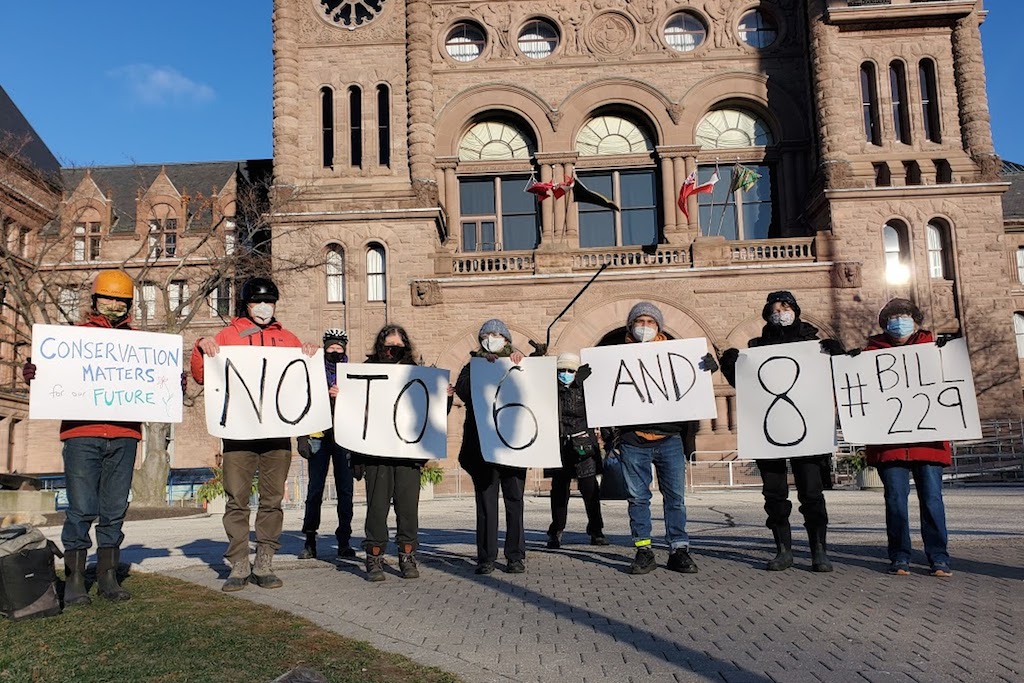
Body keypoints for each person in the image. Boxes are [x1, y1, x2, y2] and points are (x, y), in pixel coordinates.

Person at [22, 270, 186, 604]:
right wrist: (36, 375)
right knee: (81, 508)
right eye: (107, 298)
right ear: (95, 300)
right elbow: (54, 380)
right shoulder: (73, 339)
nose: (113, 304)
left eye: (120, 300)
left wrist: (170, 382)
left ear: (128, 304)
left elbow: (154, 384)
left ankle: (108, 576)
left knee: (114, 508)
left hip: (125, 435)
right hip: (82, 434)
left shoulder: (141, 344)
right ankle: (76, 579)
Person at [190, 277, 319, 592]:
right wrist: (201, 348)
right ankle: (238, 562)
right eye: (257, 302)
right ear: (246, 305)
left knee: (272, 500)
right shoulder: (227, 336)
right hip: (239, 434)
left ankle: (264, 560)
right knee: (237, 499)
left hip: (277, 435)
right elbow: (201, 375)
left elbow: (303, 385)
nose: (263, 308)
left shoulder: (288, 339)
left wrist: (310, 355)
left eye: (269, 302)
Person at [720, 290, 843, 573]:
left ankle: (819, 550)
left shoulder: (816, 346)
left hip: (807, 432)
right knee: (774, 495)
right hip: (769, 433)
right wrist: (730, 365)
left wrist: (840, 356)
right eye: (775, 308)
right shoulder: (756, 347)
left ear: (795, 310)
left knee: (811, 493)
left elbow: (837, 379)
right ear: (767, 314)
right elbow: (748, 387)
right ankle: (783, 549)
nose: (781, 312)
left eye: (785, 306)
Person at [607, 302, 717, 575]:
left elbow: (691, 386)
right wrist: (584, 380)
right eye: (639, 321)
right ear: (631, 325)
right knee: (638, 499)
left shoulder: (676, 356)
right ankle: (644, 550)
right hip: (634, 441)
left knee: (675, 498)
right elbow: (603, 396)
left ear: (659, 327)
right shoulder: (614, 358)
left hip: (669, 438)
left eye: (650, 322)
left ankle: (679, 549)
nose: (644, 326)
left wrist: (705, 370)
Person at [854, 298, 954, 577]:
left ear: (916, 320)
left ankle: (939, 556)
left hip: (928, 441)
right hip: (891, 443)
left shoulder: (934, 348)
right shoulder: (870, 353)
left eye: (905, 316)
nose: (899, 322)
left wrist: (951, 354)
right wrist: (845, 360)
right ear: (884, 323)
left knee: (932, 500)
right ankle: (899, 556)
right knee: (895, 501)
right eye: (893, 317)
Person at [351, 325, 440, 581]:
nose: (392, 349)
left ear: (405, 347)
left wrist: (442, 397)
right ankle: (375, 556)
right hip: (376, 455)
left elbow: (430, 414)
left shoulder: (417, 373)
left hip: (407, 454)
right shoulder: (367, 371)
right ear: (380, 346)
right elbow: (354, 410)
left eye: (398, 345)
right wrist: (340, 397)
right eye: (388, 344)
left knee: (408, 509)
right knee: (377, 509)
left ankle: (407, 555)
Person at [455, 319, 527, 575]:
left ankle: (515, 555)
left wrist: (524, 359)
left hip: (514, 445)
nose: (492, 338)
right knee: (486, 504)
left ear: (507, 341)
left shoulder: (521, 362)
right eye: (487, 334)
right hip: (483, 446)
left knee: (514, 501)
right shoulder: (472, 365)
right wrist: (478, 368)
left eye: (497, 334)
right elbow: (462, 391)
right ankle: (486, 556)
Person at [296, 329, 356, 560]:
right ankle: (309, 540)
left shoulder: (351, 374)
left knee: (345, 491)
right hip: (318, 435)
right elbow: (301, 401)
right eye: (331, 347)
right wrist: (302, 437)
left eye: (339, 348)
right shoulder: (313, 371)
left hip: (343, 437)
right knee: (315, 490)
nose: (335, 351)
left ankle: (344, 540)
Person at [544, 352, 607, 549]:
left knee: (590, 490)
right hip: (559, 444)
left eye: (570, 370)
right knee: (559, 491)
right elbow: (558, 406)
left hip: (583, 444)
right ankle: (556, 530)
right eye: (561, 370)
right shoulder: (551, 389)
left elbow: (601, 409)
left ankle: (596, 529)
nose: (565, 374)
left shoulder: (586, 388)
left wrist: (610, 437)